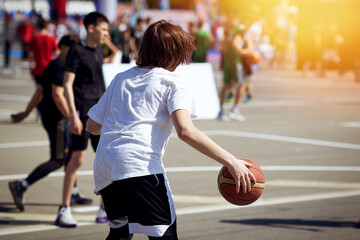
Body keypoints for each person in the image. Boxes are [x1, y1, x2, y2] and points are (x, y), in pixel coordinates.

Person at [86, 20, 256, 240]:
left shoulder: (121, 78)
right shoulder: (172, 83)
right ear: (173, 52)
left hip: (105, 167)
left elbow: (92, 126)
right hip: (140, 167)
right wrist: (231, 161)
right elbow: (185, 131)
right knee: (165, 235)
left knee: (119, 233)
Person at [8, 34, 92, 212]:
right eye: (72, 49)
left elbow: (39, 89)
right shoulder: (60, 67)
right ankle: (22, 185)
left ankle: (73, 192)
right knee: (58, 159)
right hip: (58, 119)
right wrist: (72, 117)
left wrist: (26, 112)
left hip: (52, 116)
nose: (74, 53)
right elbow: (56, 95)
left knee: (70, 156)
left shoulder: (53, 64)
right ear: (62, 47)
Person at [56, 12, 118, 228]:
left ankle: (104, 207)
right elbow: (67, 85)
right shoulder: (76, 51)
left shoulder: (98, 51)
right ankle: (64, 208)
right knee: (77, 160)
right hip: (81, 113)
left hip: (99, 115)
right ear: (90, 28)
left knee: (106, 161)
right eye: (103, 30)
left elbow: (111, 62)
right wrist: (72, 114)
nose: (106, 34)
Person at [218, 23, 251, 121]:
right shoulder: (238, 37)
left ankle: (221, 110)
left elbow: (222, 49)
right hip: (236, 64)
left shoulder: (228, 38)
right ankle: (234, 109)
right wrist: (244, 52)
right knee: (242, 84)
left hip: (228, 64)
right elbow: (235, 45)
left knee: (226, 86)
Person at [28, 17, 60, 85]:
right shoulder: (52, 38)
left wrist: (30, 66)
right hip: (49, 67)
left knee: (39, 90)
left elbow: (31, 55)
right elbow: (57, 53)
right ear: (47, 27)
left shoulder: (34, 38)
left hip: (38, 68)